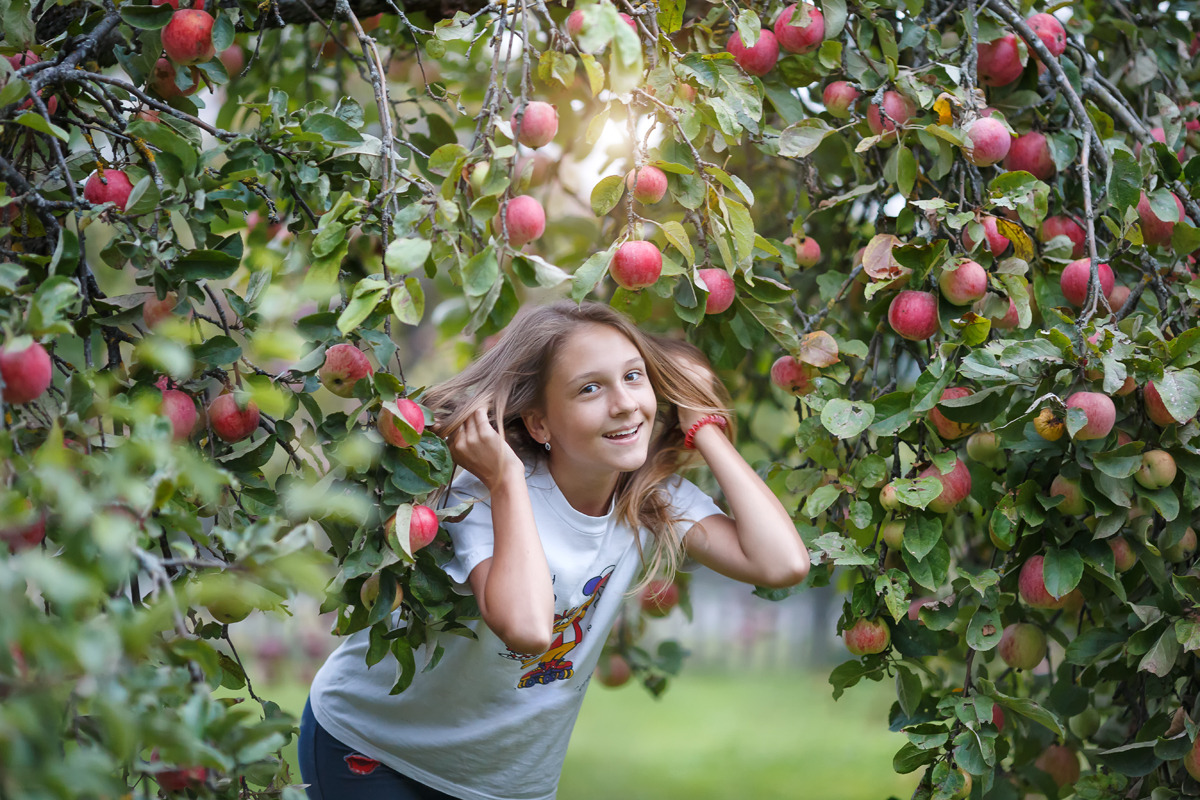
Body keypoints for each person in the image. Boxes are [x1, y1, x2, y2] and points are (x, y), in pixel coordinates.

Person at [299, 300, 810, 800]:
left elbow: (782, 564)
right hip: (375, 750)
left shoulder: (650, 499)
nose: (626, 403)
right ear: (540, 423)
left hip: (507, 782)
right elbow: (526, 631)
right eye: (590, 388)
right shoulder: (477, 495)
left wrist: (703, 425)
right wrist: (505, 481)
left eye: (635, 377)